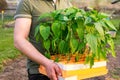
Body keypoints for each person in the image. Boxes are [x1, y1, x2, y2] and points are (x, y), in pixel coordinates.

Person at [14, 0, 62, 80]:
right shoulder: (28, 2)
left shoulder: (67, 3)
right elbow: (19, 40)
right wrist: (47, 63)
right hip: (40, 71)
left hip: (65, 69)